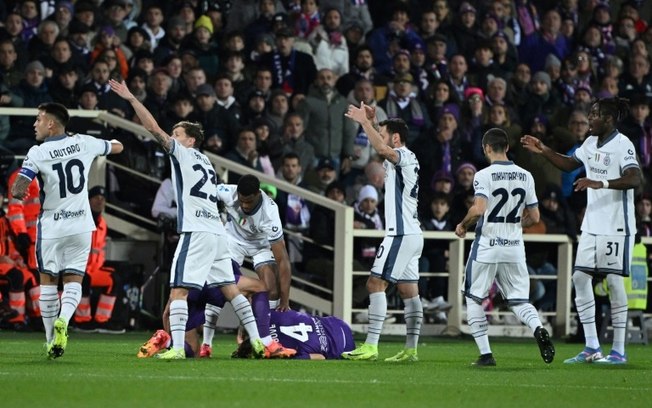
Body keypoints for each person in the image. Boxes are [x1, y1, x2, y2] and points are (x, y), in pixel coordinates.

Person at [109, 79, 267, 360]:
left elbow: (152, 128)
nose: (173, 136)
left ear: (190, 140)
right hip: (217, 233)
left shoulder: (182, 154)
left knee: (178, 291)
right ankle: (257, 342)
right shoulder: (207, 163)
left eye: (177, 133)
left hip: (196, 231)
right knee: (231, 290)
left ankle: (178, 349)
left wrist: (132, 99)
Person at [521, 98, 642, 365]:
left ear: (609, 119)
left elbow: (636, 178)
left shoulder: (623, 145)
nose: (590, 118)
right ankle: (591, 346)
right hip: (592, 225)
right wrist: (544, 150)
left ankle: (619, 351)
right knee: (579, 278)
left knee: (612, 281)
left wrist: (601, 182)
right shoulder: (589, 143)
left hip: (617, 226)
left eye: (596, 114)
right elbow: (569, 164)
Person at [11, 102, 124, 359]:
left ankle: (51, 340)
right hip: (81, 225)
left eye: (39, 119)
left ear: (51, 123)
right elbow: (117, 146)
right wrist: (108, 144)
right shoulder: (84, 142)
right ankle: (64, 319)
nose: (35, 124)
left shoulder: (38, 152)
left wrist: (20, 190)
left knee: (48, 283)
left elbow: (19, 188)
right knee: (74, 280)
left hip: (52, 226)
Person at [455, 128, 555, 367]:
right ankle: (538, 327)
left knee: (473, 297)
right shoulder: (526, 176)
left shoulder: (484, 175)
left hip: (487, 246)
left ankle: (486, 354)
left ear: (487, 148)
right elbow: (535, 216)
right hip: (514, 248)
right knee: (519, 300)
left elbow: (478, 209)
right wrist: (514, 224)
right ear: (507, 148)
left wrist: (462, 225)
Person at [341, 104, 424, 362]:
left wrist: (364, 124)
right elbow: (383, 141)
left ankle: (371, 345)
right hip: (411, 234)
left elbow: (381, 147)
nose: (380, 135)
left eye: (384, 132)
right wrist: (374, 121)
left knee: (375, 283)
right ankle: (411, 349)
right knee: (409, 292)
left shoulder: (403, 156)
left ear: (396, 138)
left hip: (400, 234)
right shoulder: (406, 157)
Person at [137, 261, 296, 359]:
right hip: (217, 281)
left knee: (192, 350)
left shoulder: (189, 236)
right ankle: (264, 341)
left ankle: (167, 341)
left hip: (188, 287)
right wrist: (245, 328)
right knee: (260, 287)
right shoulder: (219, 233)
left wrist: (170, 311)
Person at [216, 174, 292, 311]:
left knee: (272, 290)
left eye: (249, 201)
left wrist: (285, 300)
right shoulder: (227, 192)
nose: (245, 205)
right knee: (220, 283)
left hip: (260, 246)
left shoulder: (269, 213)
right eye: (242, 200)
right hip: (232, 240)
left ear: (258, 194)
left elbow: (283, 260)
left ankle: (267, 328)